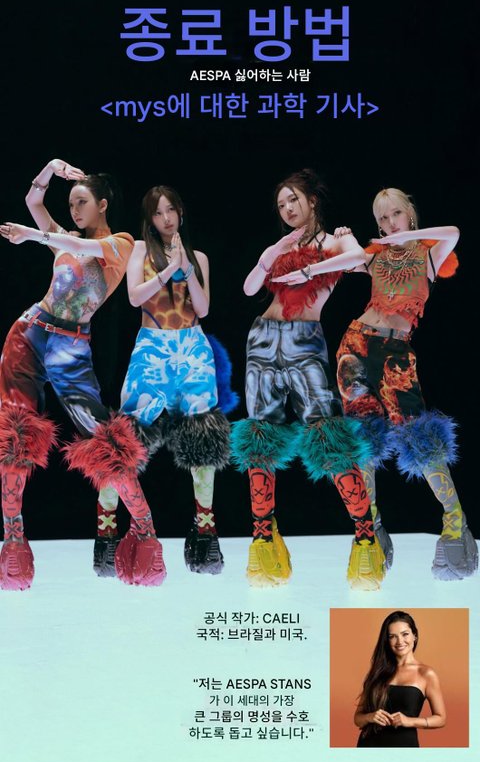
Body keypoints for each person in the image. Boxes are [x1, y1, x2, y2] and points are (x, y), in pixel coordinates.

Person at [0, 158, 164, 590]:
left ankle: (145, 531)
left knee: (106, 443)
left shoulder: (121, 244)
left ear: (102, 205)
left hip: (70, 349)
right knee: (13, 436)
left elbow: (72, 242)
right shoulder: (65, 241)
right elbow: (33, 201)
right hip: (29, 334)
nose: (74, 210)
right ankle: (13, 541)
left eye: (81, 202)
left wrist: (35, 235)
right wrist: (50, 169)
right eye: (71, 203)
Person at [231, 168, 385, 590]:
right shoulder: (283, 246)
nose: (287, 209)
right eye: (281, 204)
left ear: (312, 200)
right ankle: (263, 541)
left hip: (304, 343)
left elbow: (359, 259)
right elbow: (249, 289)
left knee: (328, 435)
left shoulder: (336, 240)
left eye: (293, 200)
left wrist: (310, 270)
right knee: (259, 439)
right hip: (262, 339)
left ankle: (365, 536)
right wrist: (274, 251)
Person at [336, 188, 478, 580]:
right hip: (355, 345)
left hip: (395, 352)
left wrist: (407, 236)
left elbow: (453, 232)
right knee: (363, 440)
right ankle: (371, 527)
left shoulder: (430, 253)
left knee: (420, 437)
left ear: (409, 213)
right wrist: (347, 237)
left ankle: (455, 521)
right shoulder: (376, 255)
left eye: (395, 214)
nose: (389, 223)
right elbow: (346, 254)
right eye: (382, 219)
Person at [107, 184, 233, 574]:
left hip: (193, 349)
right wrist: (167, 268)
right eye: (159, 212)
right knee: (123, 441)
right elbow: (134, 297)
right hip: (152, 349)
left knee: (203, 442)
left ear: (181, 213)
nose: (167, 218)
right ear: (150, 218)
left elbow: (203, 308)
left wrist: (187, 268)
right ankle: (108, 531)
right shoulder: (140, 251)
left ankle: (205, 532)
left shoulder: (200, 257)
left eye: (171, 210)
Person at [355, 610, 446, 747]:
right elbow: (357, 719)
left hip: (404, 745)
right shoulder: (377, 671)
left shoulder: (426, 673)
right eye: (392, 636)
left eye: (405, 634)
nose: (399, 641)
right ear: (387, 640)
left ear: (414, 636)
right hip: (368, 746)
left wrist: (410, 721)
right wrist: (370, 717)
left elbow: (441, 719)